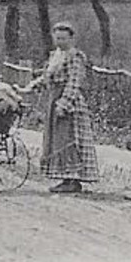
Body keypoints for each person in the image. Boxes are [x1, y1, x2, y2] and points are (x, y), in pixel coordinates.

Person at [23, 22, 99, 194]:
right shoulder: (55, 56)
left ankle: (73, 179)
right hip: (54, 99)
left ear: (72, 38)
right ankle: (65, 177)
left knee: (69, 138)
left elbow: (74, 81)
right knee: (57, 139)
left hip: (69, 104)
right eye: (57, 38)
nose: (60, 42)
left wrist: (64, 103)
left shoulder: (75, 56)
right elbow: (46, 78)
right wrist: (29, 88)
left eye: (64, 38)